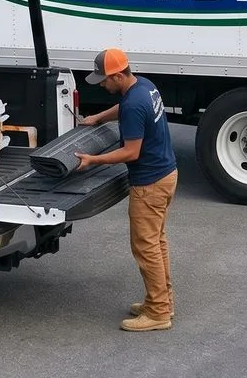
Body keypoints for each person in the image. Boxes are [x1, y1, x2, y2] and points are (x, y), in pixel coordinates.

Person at [74, 48, 178, 332]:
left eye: (104, 80)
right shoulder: (144, 86)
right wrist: (98, 118)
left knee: (146, 248)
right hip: (167, 174)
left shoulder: (134, 104)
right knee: (157, 243)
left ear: (118, 75)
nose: (103, 85)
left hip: (149, 183)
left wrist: (93, 159)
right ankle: (162, 301)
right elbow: (124, 108)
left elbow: (131, 152)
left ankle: (158, 313)